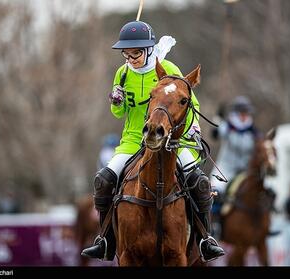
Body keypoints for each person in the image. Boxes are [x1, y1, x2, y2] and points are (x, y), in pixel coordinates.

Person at [81, 20, 224, 262]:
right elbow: (118, 113)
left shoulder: (167, 68)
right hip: (134, 140)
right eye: (126, 54)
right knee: (103, 181)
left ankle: (205, 239)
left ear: (148, 49)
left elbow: (190, 102)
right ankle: (105, 239)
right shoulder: (122, 73)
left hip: (169, 140)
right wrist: (116, 101)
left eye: (136, 53)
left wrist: (193, 127)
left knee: (199, 182)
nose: (131, 58)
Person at [210, 95, 258, 195]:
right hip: (225, 169)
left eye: (246, 113)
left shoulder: (253, 132)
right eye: (242, 113)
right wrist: (217, 120)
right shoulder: (228, 126)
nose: (245, 116)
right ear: (236, 113)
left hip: (244, 170)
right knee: (215, 191)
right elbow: (215, 133)